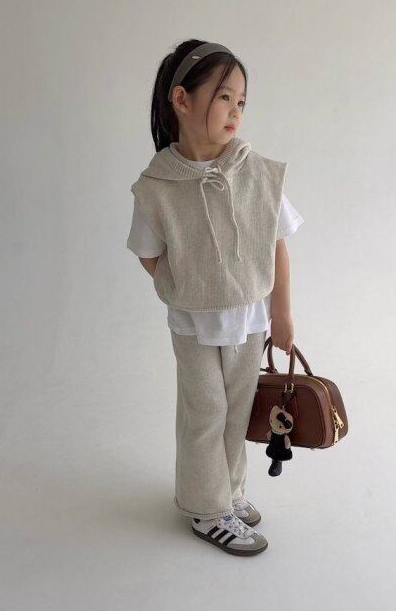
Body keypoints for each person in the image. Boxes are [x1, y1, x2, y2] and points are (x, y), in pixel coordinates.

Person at [126, 40, 304, 556]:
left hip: (250, 319)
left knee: (237, 410)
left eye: (241, 101)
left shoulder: (256, 172)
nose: (235, 111)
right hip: (194, 324)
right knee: (205, 411)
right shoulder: (158, 186)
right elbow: (148, 253)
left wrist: (282, 314)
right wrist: (185, 284)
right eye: (224, 97)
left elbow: (277, 245)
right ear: (182, 100)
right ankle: (206, 508)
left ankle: (229, 493)